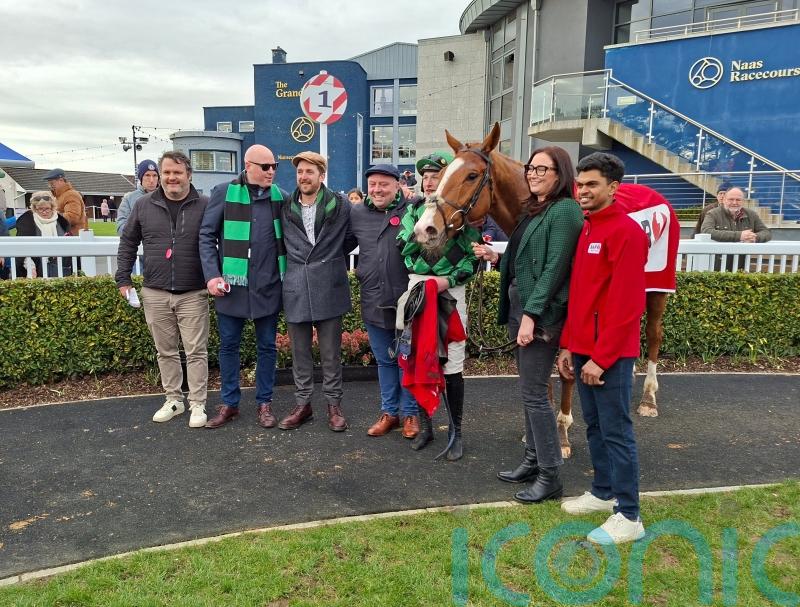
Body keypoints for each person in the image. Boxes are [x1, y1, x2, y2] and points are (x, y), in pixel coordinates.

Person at [473, 146, 584, 504]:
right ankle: (533, 460)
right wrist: (496, 256)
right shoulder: (538, 210)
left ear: (560, 174)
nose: (533, 174)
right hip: (524, 310)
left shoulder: (566, 210)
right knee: (529, 392)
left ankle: (550, 475)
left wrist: (532, 317)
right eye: (531, 168)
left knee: (535, 394)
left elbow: (555, 268)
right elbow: (529, 257)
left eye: (542, 169)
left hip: (541, 317)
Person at [557, 152, 649, 545]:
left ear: (613, 187)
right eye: (580, 184)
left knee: (616, 431)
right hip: (583, 349)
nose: (583, 191)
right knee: (595, 426)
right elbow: (581, 296)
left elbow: (629, 305)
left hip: (608, 355)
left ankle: (629, 514)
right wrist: (568, 346)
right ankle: (602, 491)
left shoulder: (626, 233)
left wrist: (602, 357)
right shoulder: (589, 229)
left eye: (592, 184)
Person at [115, 151, 210, 428]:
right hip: (155, 290)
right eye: (166, 172)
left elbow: (219, 242)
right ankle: (173, 399)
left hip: (193, 290)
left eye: (177, 172)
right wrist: (123, 279)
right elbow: (128, 243)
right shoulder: (144, 205)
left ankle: (197, 403)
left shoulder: (204, 205)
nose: (171, 178)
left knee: (196, 351)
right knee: (165, 350)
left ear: (188, 175)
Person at [396, 157, 480, 460]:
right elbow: (405, 245)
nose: (430, 182)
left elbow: (473, 261)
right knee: (420, 358)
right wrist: (431, 236)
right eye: (426, 177)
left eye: (436, 177)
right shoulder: (413, 212)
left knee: (452, 363)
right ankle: (427, 427)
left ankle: (456, 431)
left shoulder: (462, 218)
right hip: (418, 292)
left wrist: (448, 279)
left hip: (450, 295)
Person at [199, 145, 288, 429]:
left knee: (267, 347)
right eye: (266, 167)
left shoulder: (282, 197)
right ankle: (230, 403)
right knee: (228, 346)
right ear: (248, 166)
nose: (271, 171)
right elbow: (207, 236)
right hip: (231, 286)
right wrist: (212, 275)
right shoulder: (223, 192)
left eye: (274, 166)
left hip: (269, 286)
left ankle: (265, 403)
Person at [277, 151, 352, 432]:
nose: (303, 177)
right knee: (300, 353)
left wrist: (330, 260)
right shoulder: (285, 206)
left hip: (329, 285)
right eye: (299, 172)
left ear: (322, 175)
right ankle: (303, 405)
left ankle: (334, 405)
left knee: (331, 353)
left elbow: (352, 237)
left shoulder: (341, 205)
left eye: (309, 172)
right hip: (296, 285)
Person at [349, 164, 419, 439]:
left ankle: (410, 413)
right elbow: (339, 243)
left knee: (407, 359)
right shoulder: (357, 213)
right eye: (373, 184)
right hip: (373, 298)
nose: (377, 190)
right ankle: (390, 412)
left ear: (397, 186)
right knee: (384, 360)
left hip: (406, 301)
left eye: (384, 185)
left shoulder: (412, 210)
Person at [14, 191, 73, 278]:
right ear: (34, 208)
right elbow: (22, 247)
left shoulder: (61, 221)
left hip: (60, 266)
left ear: (52, 207)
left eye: (47, 209)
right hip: (35, 268)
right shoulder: (26, 221)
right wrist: (30, 267)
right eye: (40, 209)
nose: (44, 212)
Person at [701, 186, 772, 243]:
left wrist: (754, 237)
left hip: (742, 259)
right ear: (725, 200)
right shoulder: (713, 214)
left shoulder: (751, 215)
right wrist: (739, 236)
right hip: (718, 258)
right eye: (731, 199)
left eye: (738, 200)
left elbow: (766, 232)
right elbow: (706, 231)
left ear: (743, 201)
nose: (734, 203)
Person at [117, 160, 160, 235]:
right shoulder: (128, 199)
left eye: (155, 175)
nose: (151, 180)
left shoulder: (165, 197)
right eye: (147, 175)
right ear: (141, 177)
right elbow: (121, 228)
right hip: (138, 244)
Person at [44, 168, 88, 235]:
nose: (50, 186)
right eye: (49, 184)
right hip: (67, 236)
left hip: (73, 237)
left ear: (61, 180)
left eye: (52, 183)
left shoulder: (71, 195)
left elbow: (72, 218)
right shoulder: (60, 196)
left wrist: (50, 215)